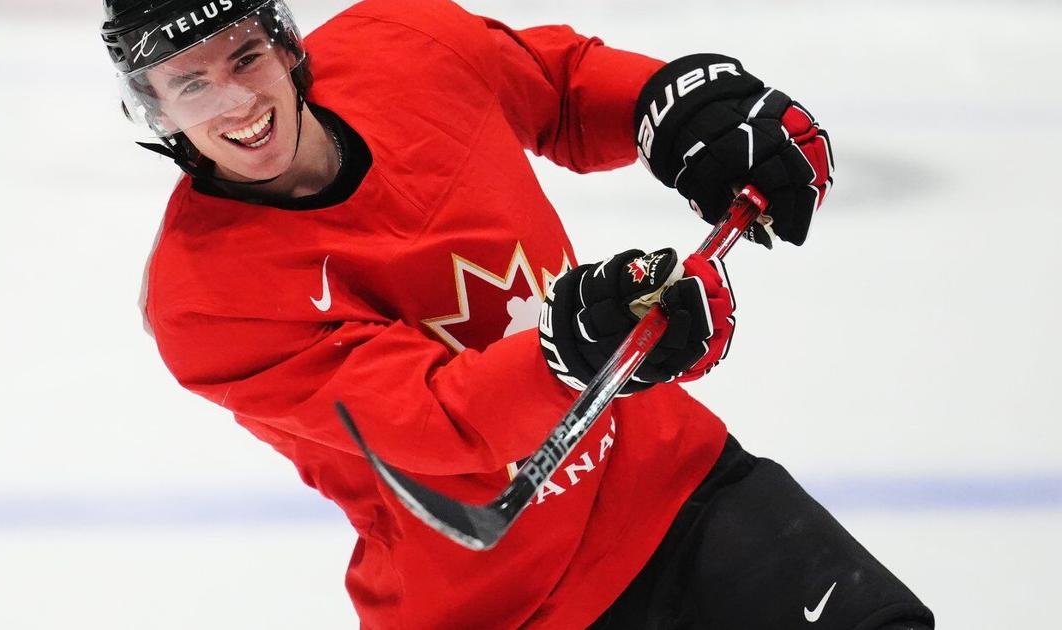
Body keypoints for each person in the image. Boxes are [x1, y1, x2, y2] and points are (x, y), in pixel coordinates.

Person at [100, 0, 933, 628]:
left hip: (674, 484)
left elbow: (558, 88)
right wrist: (575, 347)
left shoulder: (401, 43)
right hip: (502, 607)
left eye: (246, 57)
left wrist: (669, 106)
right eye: (190, 85)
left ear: (286, 46)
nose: (235, 102)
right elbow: (439, 418)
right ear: (155, 110)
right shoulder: (204, 298)